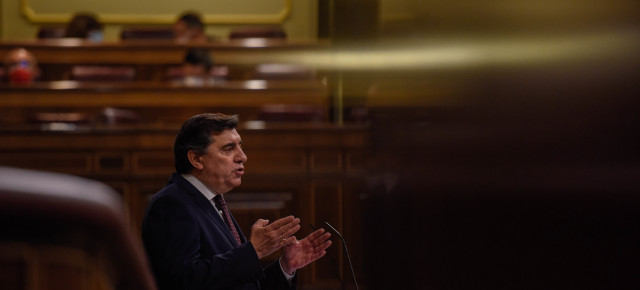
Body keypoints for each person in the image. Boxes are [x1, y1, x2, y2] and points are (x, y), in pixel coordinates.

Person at [142, 113, 332, 290]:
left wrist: (285, 267)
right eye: (228, 149)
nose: (242, 157)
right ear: (196, 159)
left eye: (240, 146)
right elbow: (184, 282)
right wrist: (253, 252)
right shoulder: (172, 204)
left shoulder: (212, 201)